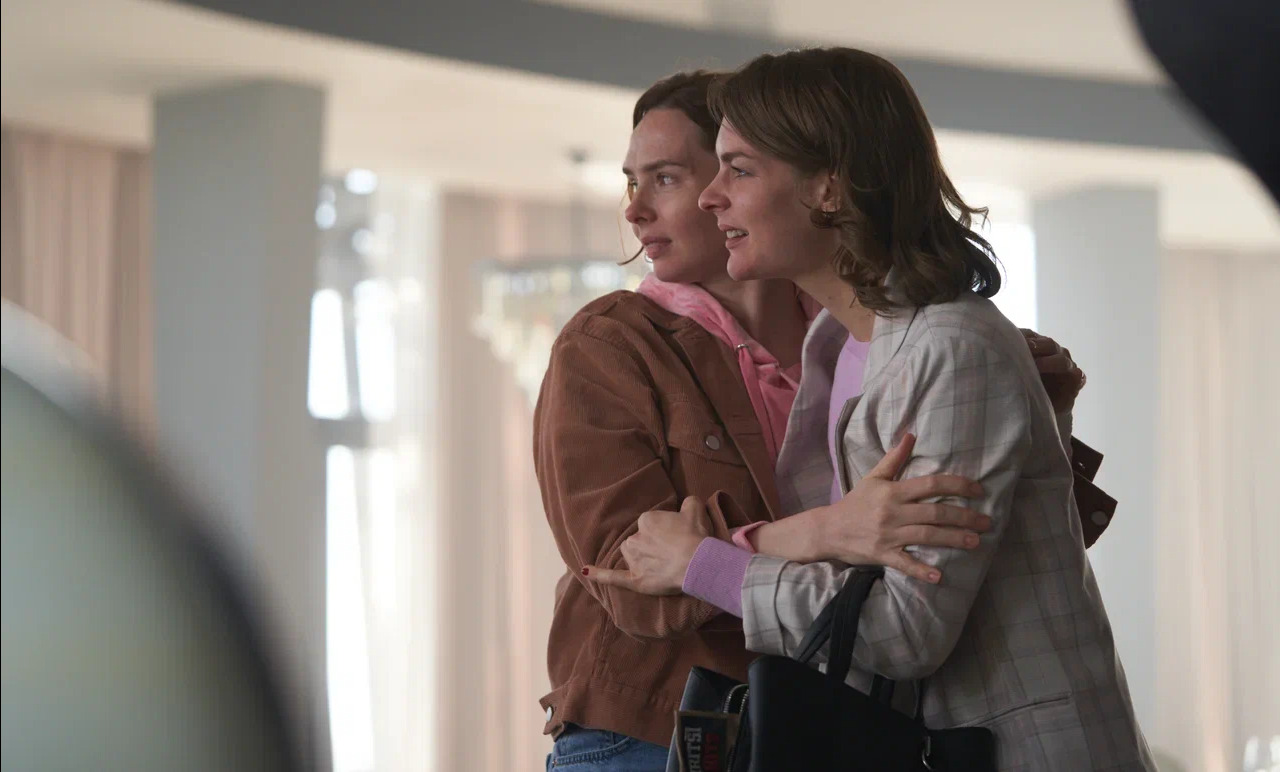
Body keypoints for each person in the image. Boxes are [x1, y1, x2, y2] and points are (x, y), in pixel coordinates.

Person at [590, 49, 1153, 770]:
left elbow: (904, 629)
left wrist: (707, 565)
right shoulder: (835, 342)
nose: (711, 197)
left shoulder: (949, 346)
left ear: (829, 186)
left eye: (740, 169)